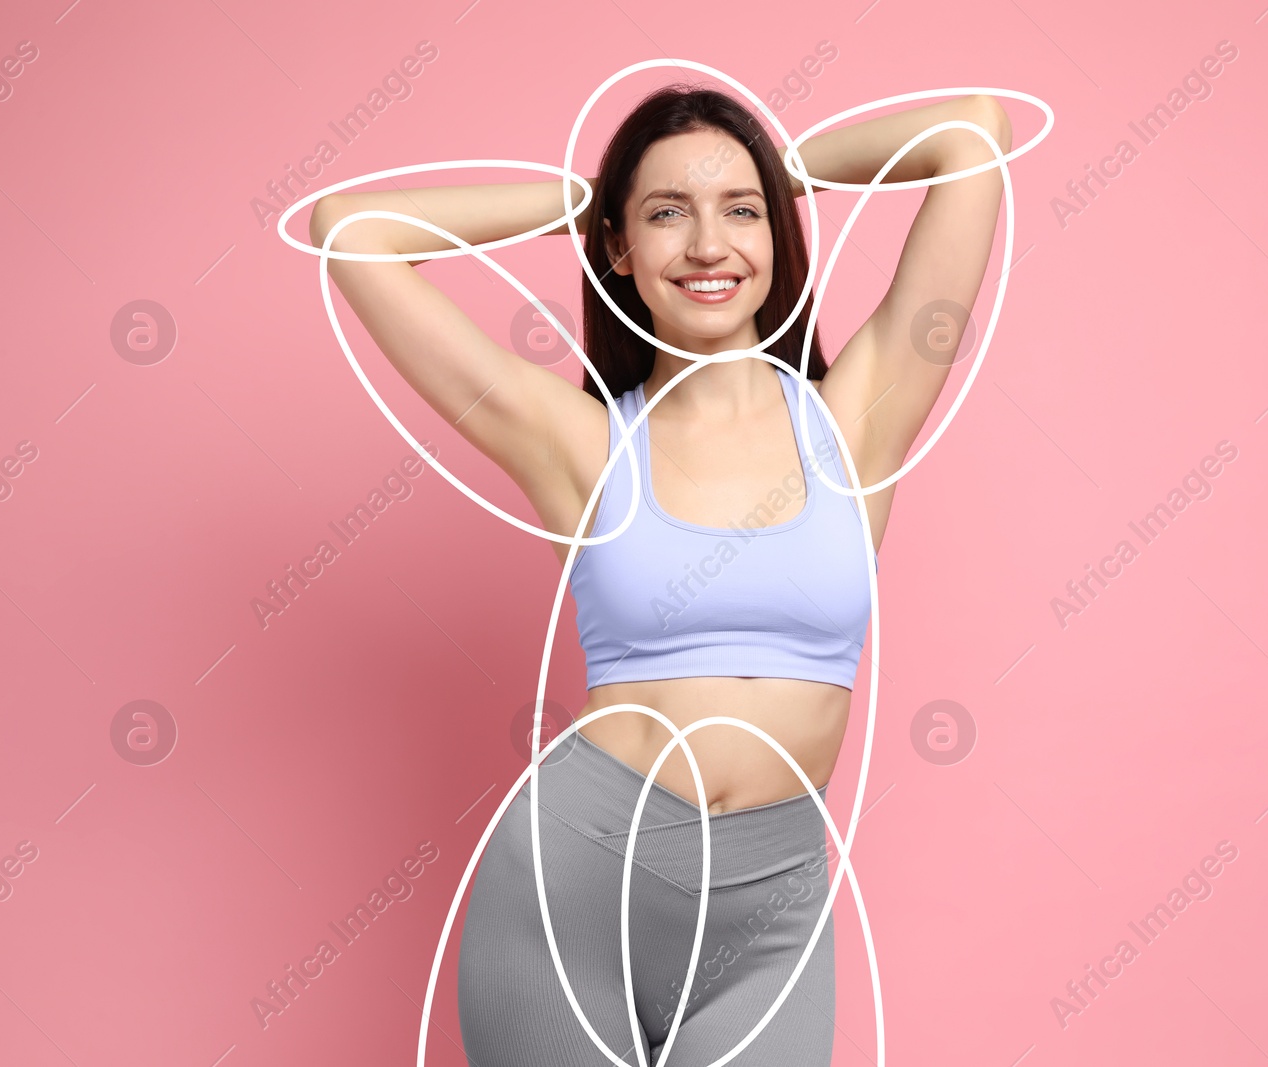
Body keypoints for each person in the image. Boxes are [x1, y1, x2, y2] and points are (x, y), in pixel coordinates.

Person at [308, 82, 1010, 1067]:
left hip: (772, 908)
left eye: (741, 210)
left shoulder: (854, 420)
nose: (709, 245)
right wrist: (571, 203)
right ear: (620, 249)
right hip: (576, 884)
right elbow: (350, 231)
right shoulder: (579, 441)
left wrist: (781, 168)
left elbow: (971, 133)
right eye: (666, 212)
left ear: (777, 232)